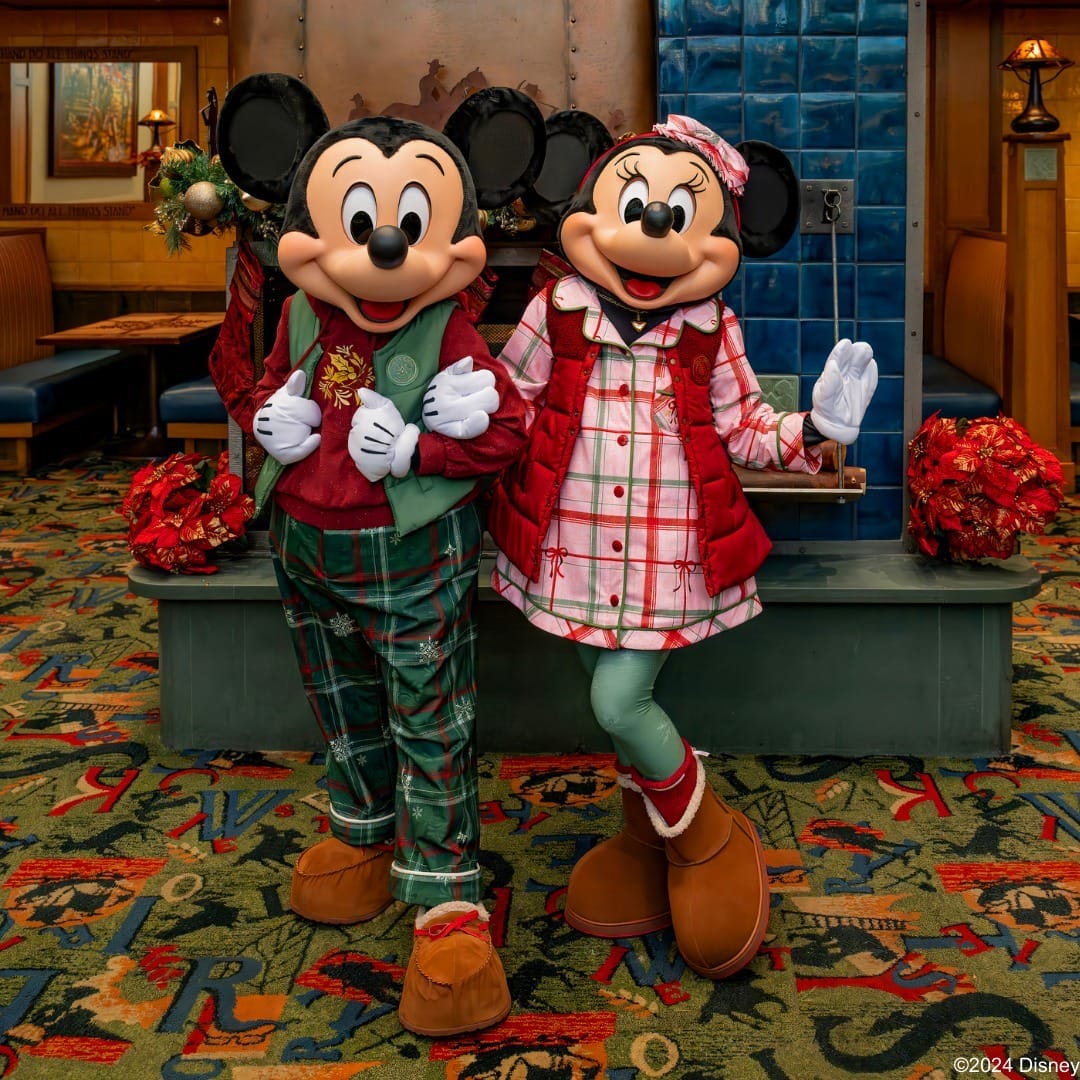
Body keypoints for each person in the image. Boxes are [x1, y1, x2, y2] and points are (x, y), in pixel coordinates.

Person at [487, 114, 877, 979]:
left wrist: (817, 428)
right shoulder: (557, 310)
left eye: (679, 214)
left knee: (620, 703)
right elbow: (511, 399)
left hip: (670, 560)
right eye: (631, 204)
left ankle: (704, 837)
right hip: (576, 553)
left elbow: (744, 431)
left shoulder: (710, 329)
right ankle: (647, 836)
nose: (651, 231)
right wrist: (458, 411)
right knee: (603, 689)